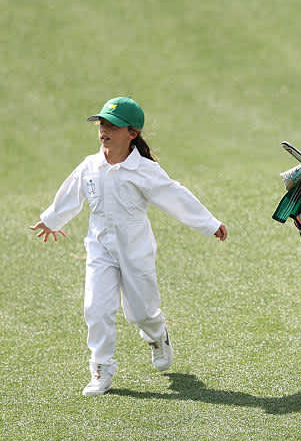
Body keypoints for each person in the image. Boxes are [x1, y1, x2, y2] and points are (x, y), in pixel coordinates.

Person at [31, 97, 228, 396]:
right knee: (95, 308)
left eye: (113, 125)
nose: (104, 130)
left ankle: (157, 335)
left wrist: (209, 223)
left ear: (132, 133)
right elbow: (70, 194)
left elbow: (175, 196)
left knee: (140, 313)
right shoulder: (90, 166)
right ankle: (101, 369)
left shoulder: (144, 170)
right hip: (99, 249)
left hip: (135, 250)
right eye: (102, 124)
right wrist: (51, 219)